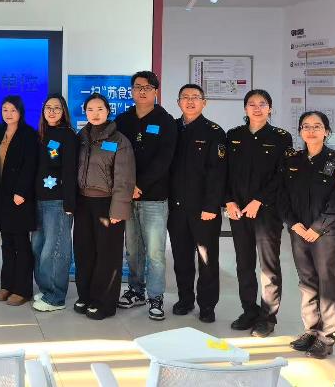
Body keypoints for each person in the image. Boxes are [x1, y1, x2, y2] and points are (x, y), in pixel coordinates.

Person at [278, 111, 335, 360]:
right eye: (306, 126)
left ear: (326, 131)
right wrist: (293, 224)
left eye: (317, 126)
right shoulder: (292, 160)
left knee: (328, 283)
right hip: (299, 232)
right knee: (306, 281)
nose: (311, 130)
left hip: (327, 234)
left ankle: (326, 337)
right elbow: (281, 195)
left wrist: (317, 228)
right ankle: (311, 330)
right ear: (300, 131)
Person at [225, 89, 293, 338]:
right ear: (245, 109)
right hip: (238, 210)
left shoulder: (281, 137)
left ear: (270, 109)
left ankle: (267, 318)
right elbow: (225, 172)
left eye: (262, 104)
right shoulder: (233, 135)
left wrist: (259, 200)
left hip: (267, 211)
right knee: (243, 263)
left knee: (268, 266)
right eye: (251, 104)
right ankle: (249, 311)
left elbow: (282, 174)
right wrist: (228, 201)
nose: (257, 108)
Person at [115, 71, 177, 321]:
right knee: (133, 250)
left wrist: (138, 184)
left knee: (155, 252)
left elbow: (164, 160)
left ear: (155, 91)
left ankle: (156, 296)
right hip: (127, 197)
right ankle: (135, 291)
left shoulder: (166, 121)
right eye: (137, 87)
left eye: (147, 87)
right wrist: (127, 186)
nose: (142, 91)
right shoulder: (122, 120)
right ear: (131, 91)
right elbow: (115, 154)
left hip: (154, 197)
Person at [167, 83, 226, 323]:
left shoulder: (214, 131)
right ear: (178, 102)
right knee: (181, 257)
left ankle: (207, 305)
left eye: (195, 97)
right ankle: (185, 299)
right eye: (185, 97)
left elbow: (218, 173)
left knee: (207, 260)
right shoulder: (171, 128)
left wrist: (211, 206)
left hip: (203, 209)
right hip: (175, 207)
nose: (190, 101)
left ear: (204, 102)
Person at [74, 93, 135, 320]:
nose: (95, 113)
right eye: (90, 109)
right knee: (84, 251)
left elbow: (124, 178)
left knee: (107, 255)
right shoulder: (81, 137)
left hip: (108, 203)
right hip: (83, 203)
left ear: (108, 111)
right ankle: (86, 296)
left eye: (100, 109)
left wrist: (119, 209)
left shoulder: (119, 140)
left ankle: (105, 302)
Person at [0, 95, 38, 306]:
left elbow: (31, 165)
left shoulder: (29, 134)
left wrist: (22, 191)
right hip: (1, 196)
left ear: (20, 112)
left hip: (19, 198)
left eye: (13, 110)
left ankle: (23, 289)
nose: (8, 114)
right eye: (5, 110)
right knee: (6, 243)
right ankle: (7, 285)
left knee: (21, 244)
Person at [31, 94, 76, 312]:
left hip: (58, 202)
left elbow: (70, 170)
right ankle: (46, 288)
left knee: (55, 249)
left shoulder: (68, 135)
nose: (52, 111)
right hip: (39, 201)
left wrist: (70, 203)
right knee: (38, 247)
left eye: (57, 108)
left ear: (63, 111)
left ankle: (56, 297)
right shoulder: (40, 133)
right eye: (48, 107)